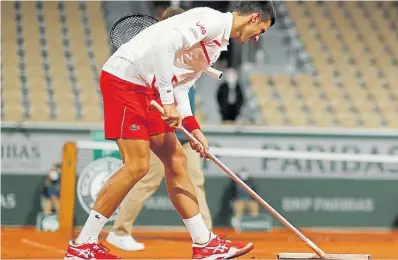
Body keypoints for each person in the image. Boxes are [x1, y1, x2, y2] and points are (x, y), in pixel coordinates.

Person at [64, 1, 276, 259]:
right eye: (261, 31)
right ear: (254, 18)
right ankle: (83, 244)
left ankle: (203, 243)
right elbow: (165, 45)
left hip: (146, 87)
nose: (257, 38)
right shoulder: (213, 22)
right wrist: (166, 102)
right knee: (137, 165)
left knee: (176, 160)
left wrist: (193, 127)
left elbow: (181, 87)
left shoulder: (217, 44)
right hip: (124, 80)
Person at [105, 7, 213, 252]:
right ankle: (119, 231)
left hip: (182, 132)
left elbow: (184, 99)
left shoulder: (185, 58)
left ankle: (205, 235)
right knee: (143, 178)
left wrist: (193, 129)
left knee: (195, 180)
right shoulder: (157, 58)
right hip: (158, 132)